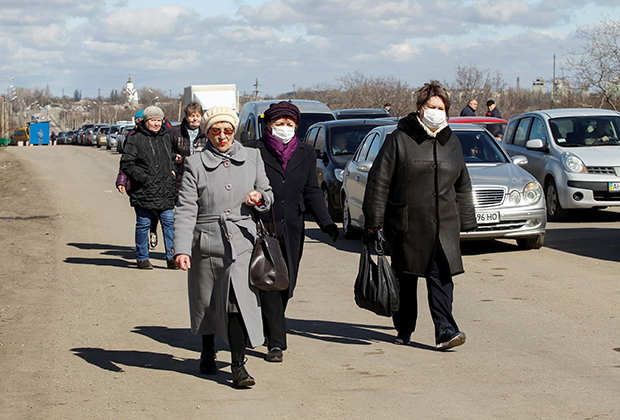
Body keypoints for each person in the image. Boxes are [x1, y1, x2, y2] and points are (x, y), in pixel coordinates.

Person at [362, 81, 477, 350]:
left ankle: (445, 330)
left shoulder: (452, 142)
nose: (437, 112)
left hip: (444, 225)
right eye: (431, 107)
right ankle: (404, 327)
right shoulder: (399, 139)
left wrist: (468, 219)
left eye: (441, 108)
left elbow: (463, 183)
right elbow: (379, 181)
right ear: (419, 108)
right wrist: (374, 222)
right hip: (408, 225)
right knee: (406, 279)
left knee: (442, 278)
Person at [173, 106, 273, 387]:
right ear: (207, 133)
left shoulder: (252, 157)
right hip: (206, 241)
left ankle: (238, 365)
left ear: (234, 130)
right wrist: (181, 249)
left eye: (227, 130)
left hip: (242, 242)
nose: (222, 136)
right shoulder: (194, 164)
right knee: (207, 302)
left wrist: (260, 197)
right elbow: (185, 209)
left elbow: (267, 192)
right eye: (215, 131)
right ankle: (207, 350)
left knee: (236, 304)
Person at [245, 101, 339, 363]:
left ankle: (271, 324)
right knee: (271, 280)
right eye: (279, 124)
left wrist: (326, 221)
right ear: (268, 126)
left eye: (289, 124)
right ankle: (276, 342)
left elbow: (311, 190)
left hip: (294, 226)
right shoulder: (254, 150)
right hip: (263, 225)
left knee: (287, 283)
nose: (284, 128)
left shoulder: (306, 153)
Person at [120, 106, 177, 269]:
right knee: (143, 224)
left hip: (165, 190)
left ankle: (171, 256)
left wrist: (173, 170)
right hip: (144, 191)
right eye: (153, 120)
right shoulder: (135, 139)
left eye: (159, 120)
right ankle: (142, 258)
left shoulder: (165, 138)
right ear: (146, 121)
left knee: (169, 223)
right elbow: (126, 163)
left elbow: (171, 157)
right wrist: (143, 179)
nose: (156, 123)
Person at [116, 110, 159, 250]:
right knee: (142, 216)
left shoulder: (159, 136)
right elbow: (126, 161)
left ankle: (153, 230)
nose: (138, 123)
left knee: (155, 212)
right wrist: (121, 180)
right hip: (135, 182)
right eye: (137, 121)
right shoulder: (132, 137)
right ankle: (143, 246)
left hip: (156, 182)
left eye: (141, 120)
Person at [168, 101, 208, 198]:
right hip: (180, 175)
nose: (195, 119)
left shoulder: (208, 133)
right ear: (186, 117)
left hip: (203, 174)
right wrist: (174, 158)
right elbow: (166, 152)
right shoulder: (174, 132)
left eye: (198, 116)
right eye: (192, 116)